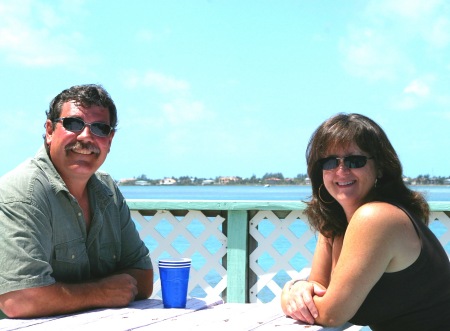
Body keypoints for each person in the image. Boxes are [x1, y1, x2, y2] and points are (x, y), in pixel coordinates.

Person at [280, 113, 450, 330]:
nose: (341, 171)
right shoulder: (336, 224)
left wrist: (287, 295)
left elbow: (330, 315)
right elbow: (318, 287)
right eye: (330, 161)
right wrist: (300, 288)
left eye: (355, 161)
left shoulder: (376, 218)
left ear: (379, 167)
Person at [0, 84, 154, 318]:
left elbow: (142, 278)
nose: (85, 136)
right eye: (73, 124)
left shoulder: (108, 190)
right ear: (50, 130)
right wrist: (100, 292)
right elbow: (19, 300)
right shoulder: (23, 192)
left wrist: (62, 295)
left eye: (100, 128)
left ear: (109, 139)